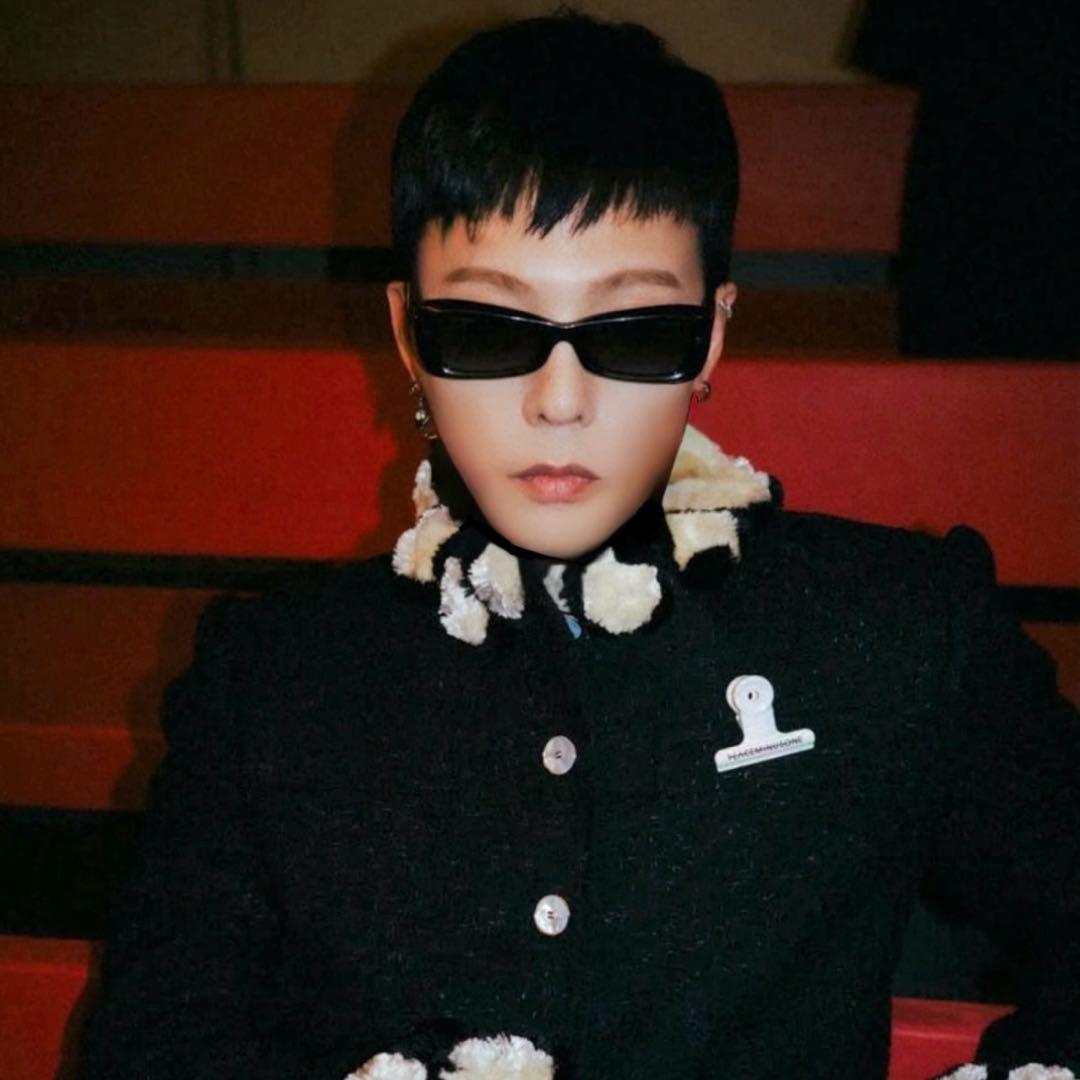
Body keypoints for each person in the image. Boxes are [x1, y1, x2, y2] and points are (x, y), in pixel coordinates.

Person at [77, 9, 1080, 1079]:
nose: (559, 401)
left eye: (635, 331)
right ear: (409, 335)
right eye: (486, 329)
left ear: (713, 335)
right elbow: (157, 1042)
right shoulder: (273, 681)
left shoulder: (896, 630)